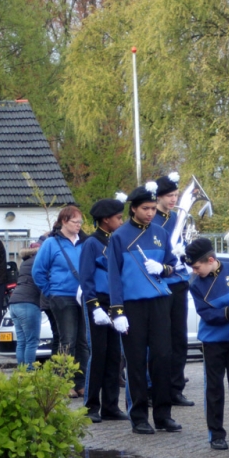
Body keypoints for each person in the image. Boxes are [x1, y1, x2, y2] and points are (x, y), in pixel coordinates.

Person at [108, 182, 181, 435]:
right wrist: (117, 311)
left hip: (159, 301)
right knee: (136, 361)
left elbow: (173, 265)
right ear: (133, 209)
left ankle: (163, 415)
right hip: (133, 305)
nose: (150, 213)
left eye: (152, 208)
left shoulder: (160, 233)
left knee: (162, 358)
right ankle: (139, 416)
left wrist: (163, 269)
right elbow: (113, 276)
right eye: (145, 209)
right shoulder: (119, 237)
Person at [185, 237, 229, 450]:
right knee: (214, 388)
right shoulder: (196, 284)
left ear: (210, 260)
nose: (194, 271)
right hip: (213, 341)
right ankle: (216, 434)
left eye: (197, 267)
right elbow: (207, 314)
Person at [79, 197, 130, 424]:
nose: (121, 221)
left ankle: (111, 406)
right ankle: (90, 406)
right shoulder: (92, 243)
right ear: (106, 220)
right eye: (118, 218)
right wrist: (93, 306)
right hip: (98, 303)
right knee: (98, 354)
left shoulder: (116, 241)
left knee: (114, 356)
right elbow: (86, 277)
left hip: (115, 303)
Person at [32, 206, 89, 397]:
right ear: (64, 221)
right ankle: (64, 382)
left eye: (80, 222)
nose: (79, 225)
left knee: (83, 342)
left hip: (83, 296)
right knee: (67, 340)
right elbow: (38, 271)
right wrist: (51, 292)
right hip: (62, 296)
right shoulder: (51, 243)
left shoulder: (84, 242)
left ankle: (82, 382)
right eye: (75, 222)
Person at [154, 172, 194, 407]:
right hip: (160, 284)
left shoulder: (178, 217)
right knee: (162, 340)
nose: (173, 199)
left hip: (178, 282)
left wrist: (187, 254)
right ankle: (157, 388)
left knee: (179, 338)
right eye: (169, 195)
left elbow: (184, 244)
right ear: (158, 196)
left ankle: (176, 388)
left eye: (176, 195)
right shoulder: (153, 220)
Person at [8, 242, 41, 369]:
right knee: (32, 341)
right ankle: (29, 372)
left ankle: (21, 372)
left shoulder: (25, 262)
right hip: (28, 303)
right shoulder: (38, 261)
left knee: (22, 341)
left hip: (14, 302)